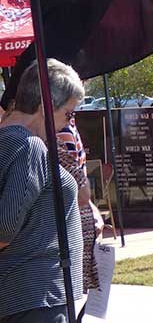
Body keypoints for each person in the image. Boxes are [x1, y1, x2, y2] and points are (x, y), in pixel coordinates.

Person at [0, 59, 84, 323]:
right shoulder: (29, 145)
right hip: (35, 299)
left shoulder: (9, 141)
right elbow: (4, 229)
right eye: (68, 114)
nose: (68, 125)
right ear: (45, 107)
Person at [56, 117, 103, 321]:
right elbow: (77, 184)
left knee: (76, 299)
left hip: (82, 220)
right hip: (67, 223)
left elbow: (80, 177)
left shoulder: (68, 123)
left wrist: (93, 209)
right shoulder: (55, 130)